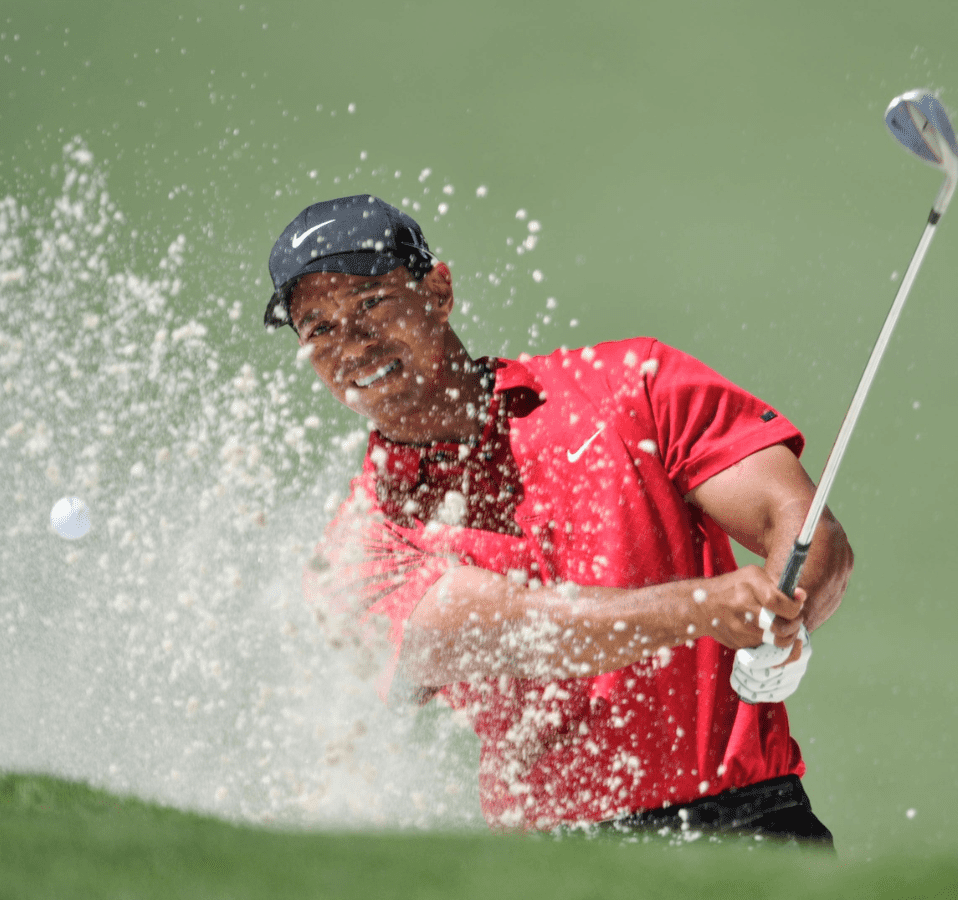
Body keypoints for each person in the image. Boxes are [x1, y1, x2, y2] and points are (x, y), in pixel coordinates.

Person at [265, 194, 853, 845]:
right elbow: (513, 629)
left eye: (371, 302)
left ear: (438, 289)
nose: (351, 342)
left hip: (752, 821)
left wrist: (784, 613)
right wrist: (700, 606)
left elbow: (796, 521)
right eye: (318, 328)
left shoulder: (629, 384)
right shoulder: (357, 550)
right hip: (560, 861)